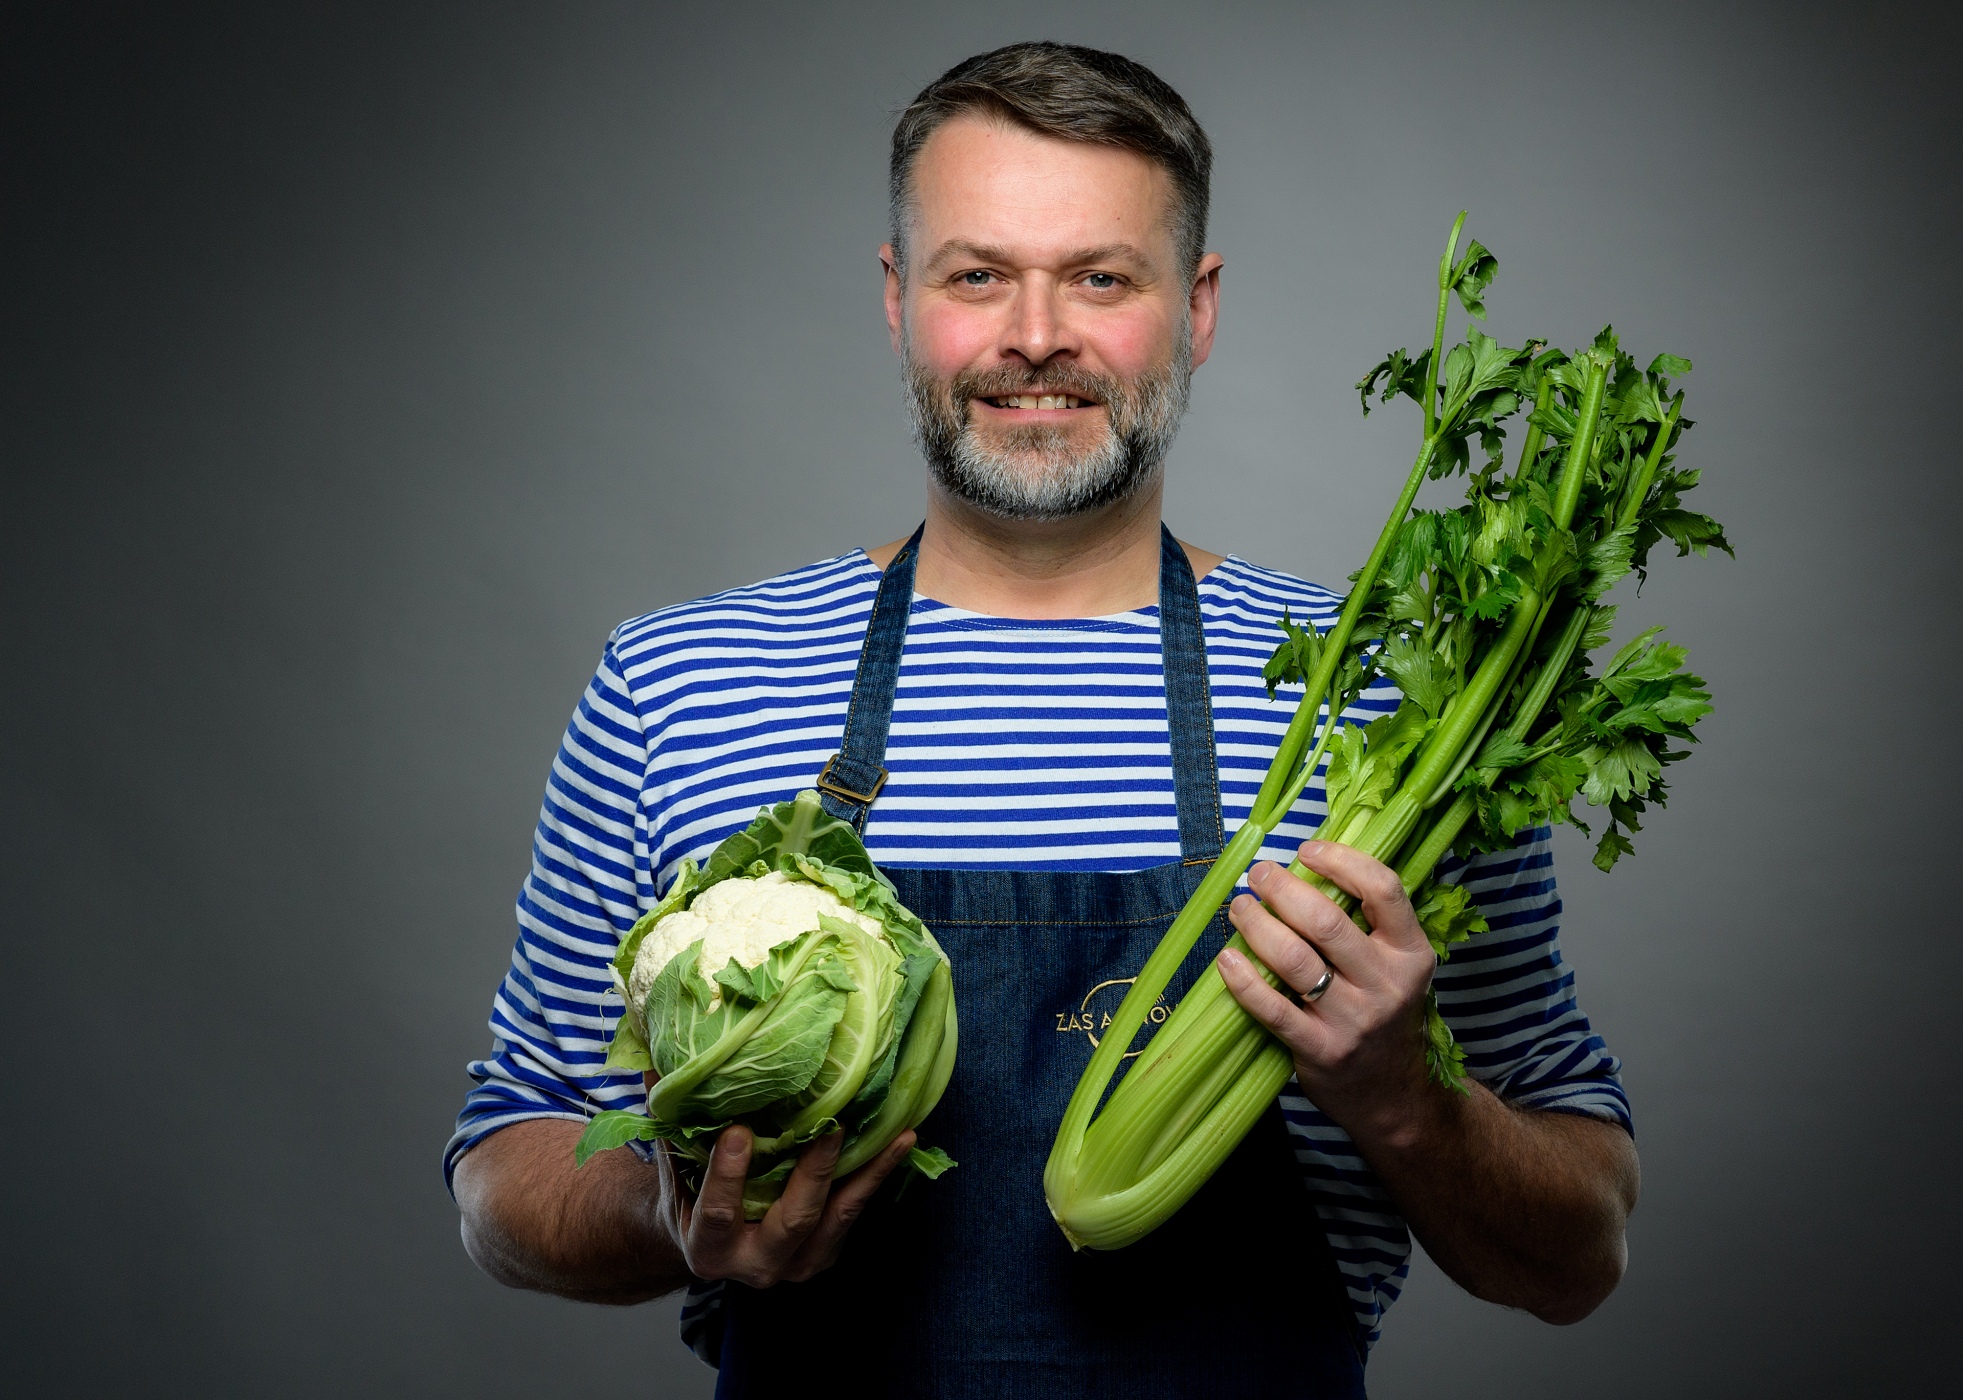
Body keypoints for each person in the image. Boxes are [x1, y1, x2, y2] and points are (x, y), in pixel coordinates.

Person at [448, 41, 1638, 1398]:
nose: (1034, 336)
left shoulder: (1393, 713)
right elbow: (504, 1168)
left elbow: (1580, 1249)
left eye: (1100, 278)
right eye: (976, 276)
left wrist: (1411, 1105)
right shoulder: (681, 681)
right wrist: (671, 1216)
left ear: (1196, 308)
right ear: (897, 298)